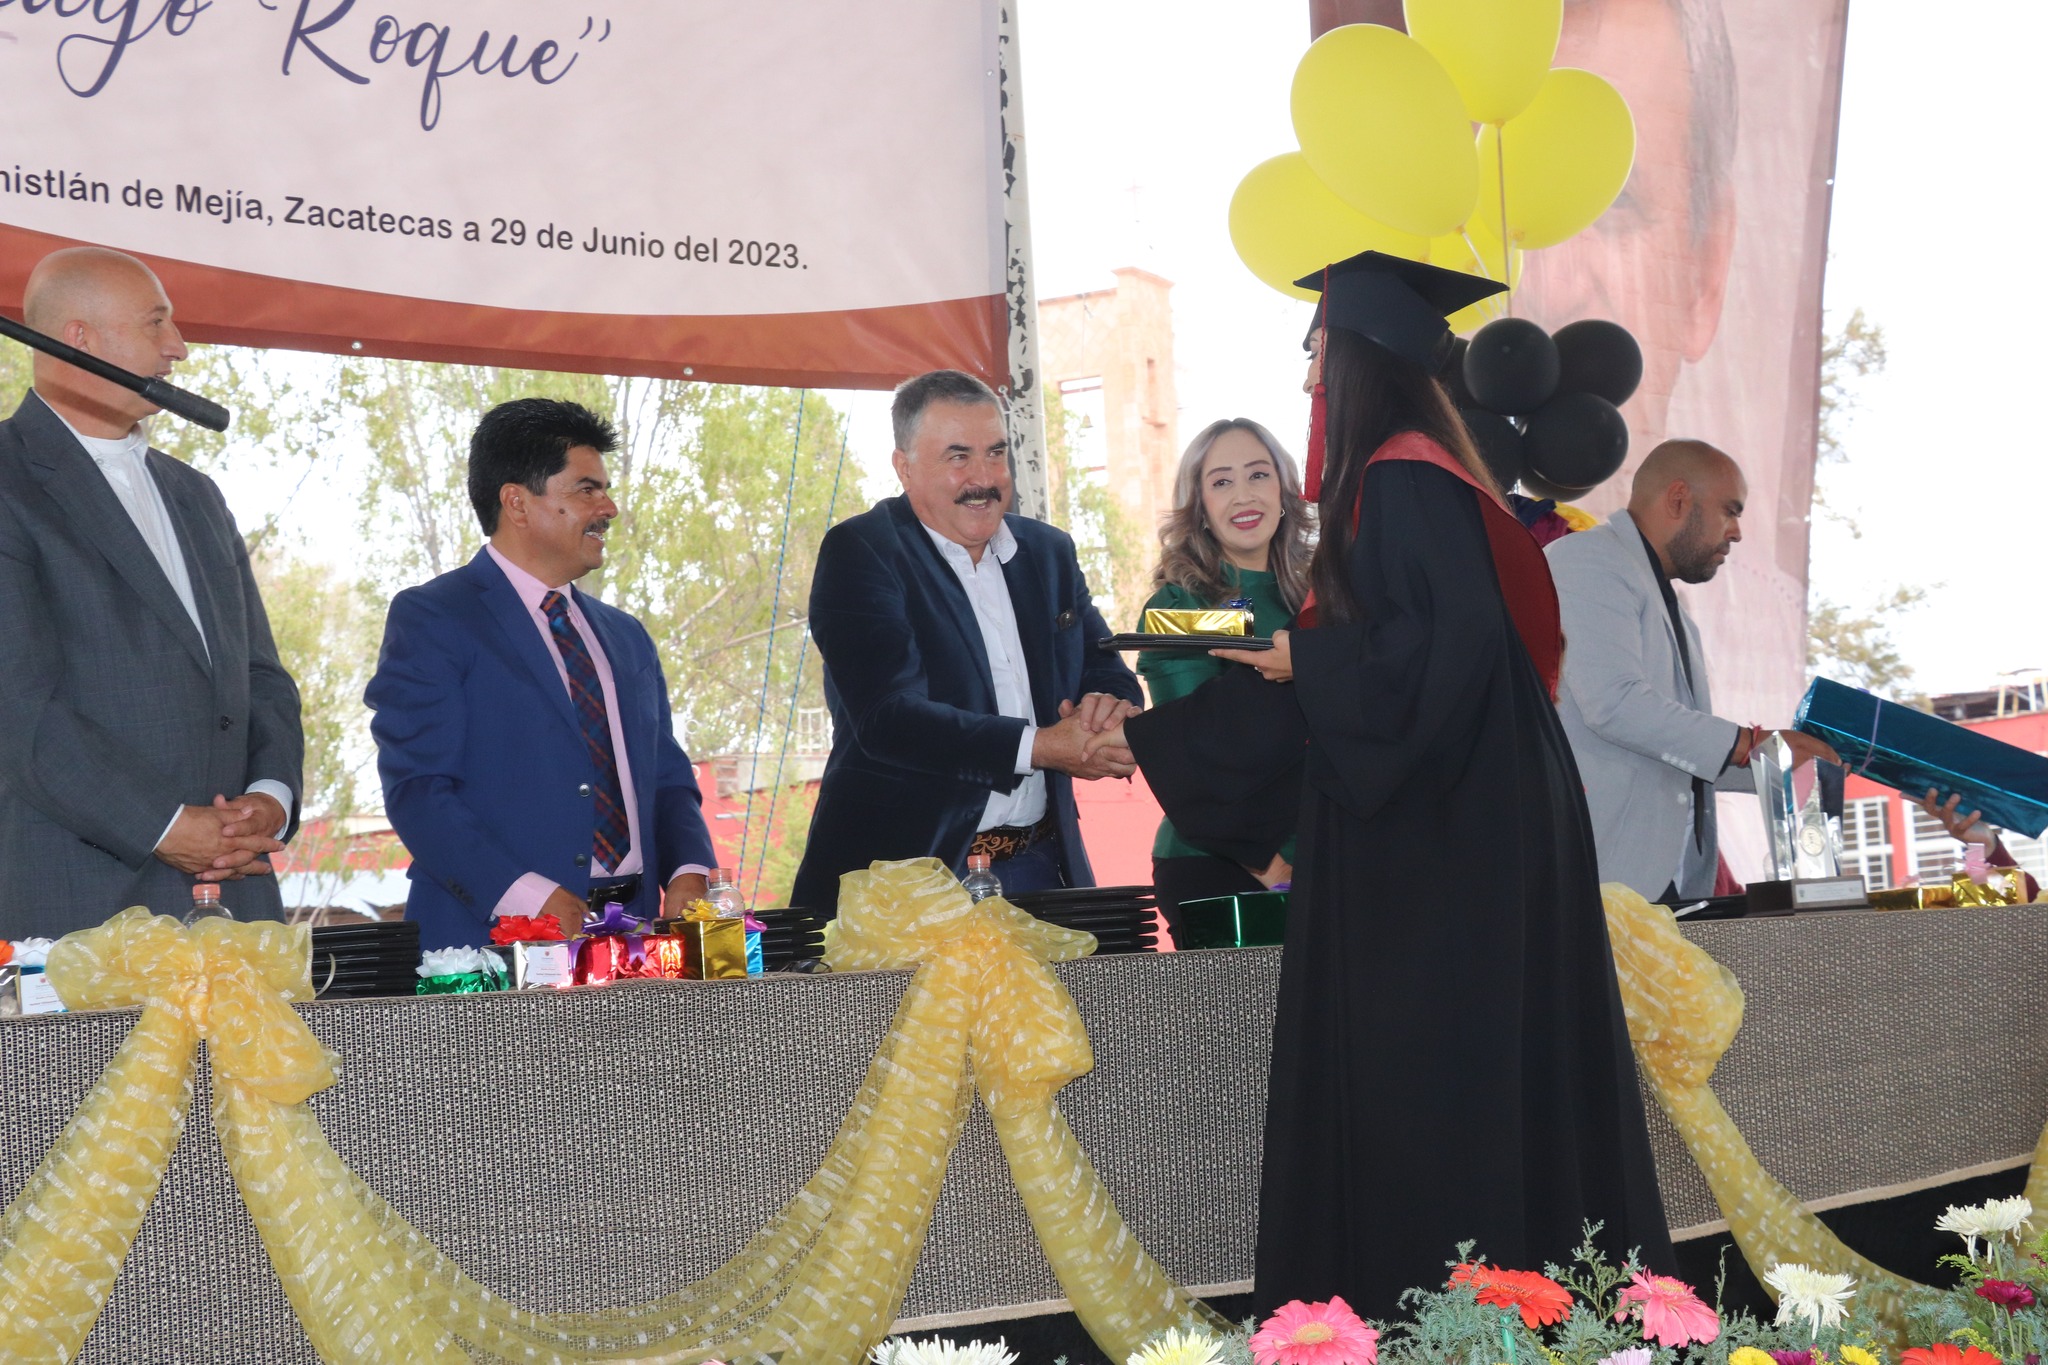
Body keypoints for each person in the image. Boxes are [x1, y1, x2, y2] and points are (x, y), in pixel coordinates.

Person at [1089, 251, 1675, 1316]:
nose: (1309, 371)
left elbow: (1429, 656)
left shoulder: (1399, 477)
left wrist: (1299, 661)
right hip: (1477, 813)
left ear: (1358, 357)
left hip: (1454, 840)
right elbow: (1423, 654)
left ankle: (1454, 1314)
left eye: (1317, 346)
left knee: (1434, 1085)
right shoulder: (1422, 472)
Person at [0, 247, 303, 936]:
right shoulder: (7, 479)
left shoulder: (195, 493)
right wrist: (166, 825)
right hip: (83, 915)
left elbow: (262, 676)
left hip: (239, 904)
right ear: (80, 340)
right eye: (156, 323)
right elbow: (17, 709)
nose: (180, 349)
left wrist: (269, 799)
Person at [789, 370, 1144, 916]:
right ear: (904, 468)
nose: (984, 478)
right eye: (958, 457)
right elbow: (889, 718)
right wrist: (1044, 747)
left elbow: (1103, 668)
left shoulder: (1048, 552)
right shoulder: (862, 551)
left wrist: (1108, 711)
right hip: (909, 886)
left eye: (995, 453)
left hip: (1040, 869)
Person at [365, 398, 715, 950]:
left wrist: (689, 867)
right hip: (489, 946)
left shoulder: (627, 637)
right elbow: (419, 791)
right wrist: (528, 897)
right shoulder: (434, 617)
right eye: (586, 489)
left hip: (641, 945)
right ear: (517, 503)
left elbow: (668, 777)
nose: (610, 507)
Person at [1545, 439, 1838, 901]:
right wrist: (1749, 743)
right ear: (1679, 499)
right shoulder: (1587, 561)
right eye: (1730, 510)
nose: (1737, 532)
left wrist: (1780, 761)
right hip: (1600, 874)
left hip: (1667, 884)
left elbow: (1679, 750)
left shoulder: (1673, 605)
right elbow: (1615, 705)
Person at [1136, 418, 1312, 939]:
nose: (1243, 495)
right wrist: (1276, 872)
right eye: (1220, 481)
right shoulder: (1181, 605)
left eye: (1258, 475)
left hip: (1333, 860)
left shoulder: (1325, 595)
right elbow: (1194, 762)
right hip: (1224, 866)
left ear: (1284, 490)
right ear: (1200, 508)